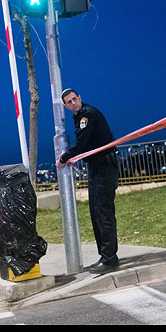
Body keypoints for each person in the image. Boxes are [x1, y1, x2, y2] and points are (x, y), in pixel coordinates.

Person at [56, 88, 120, 273]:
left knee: (103, 212)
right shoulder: (79, 116)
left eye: (74, 99)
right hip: (96, 167)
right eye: (69, 102)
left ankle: (110, 258)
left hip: (104, 167)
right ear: (66, 106)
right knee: (95, 211)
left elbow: (82, 144)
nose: (73, 103)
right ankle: (105, 256)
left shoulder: (87, 115)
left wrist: (63, 158)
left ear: (80, 98)